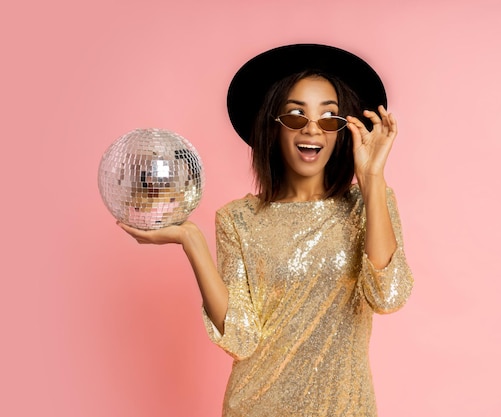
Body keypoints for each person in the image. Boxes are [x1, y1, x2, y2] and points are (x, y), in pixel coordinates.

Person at [118, 43, 414, 417]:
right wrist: (191, 240)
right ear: (272, 127)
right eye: (295, 116)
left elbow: (388, 295)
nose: (312, 130)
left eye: (328, 118)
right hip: (257, 405)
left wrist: (372, 178)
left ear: (342, 131)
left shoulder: (368, 203)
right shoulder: (238, 220)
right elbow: (241, 339)